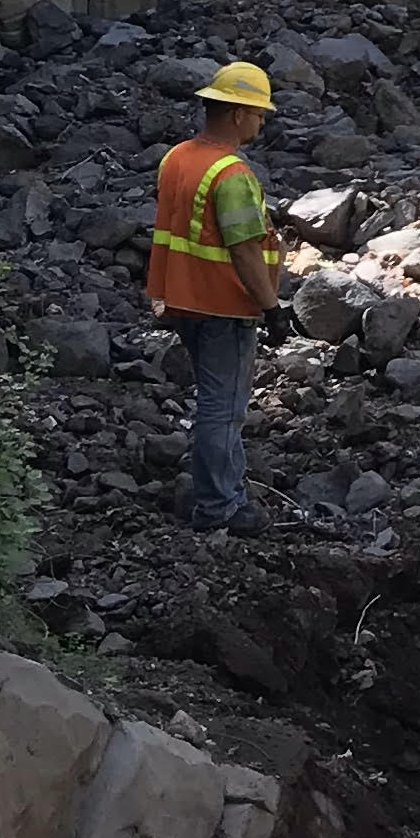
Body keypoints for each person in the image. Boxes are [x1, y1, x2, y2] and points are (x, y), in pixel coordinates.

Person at [145, 61, 284, 530]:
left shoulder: (177, 157)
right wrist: (272, 307)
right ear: (238, 114)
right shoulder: (231, 174)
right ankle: (219, 506)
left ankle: (217, 491)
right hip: (223, 304)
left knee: (212, 402)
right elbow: (244, 250)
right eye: (259, 113)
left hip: (182, 299)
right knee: (223, 410)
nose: (261, 122)